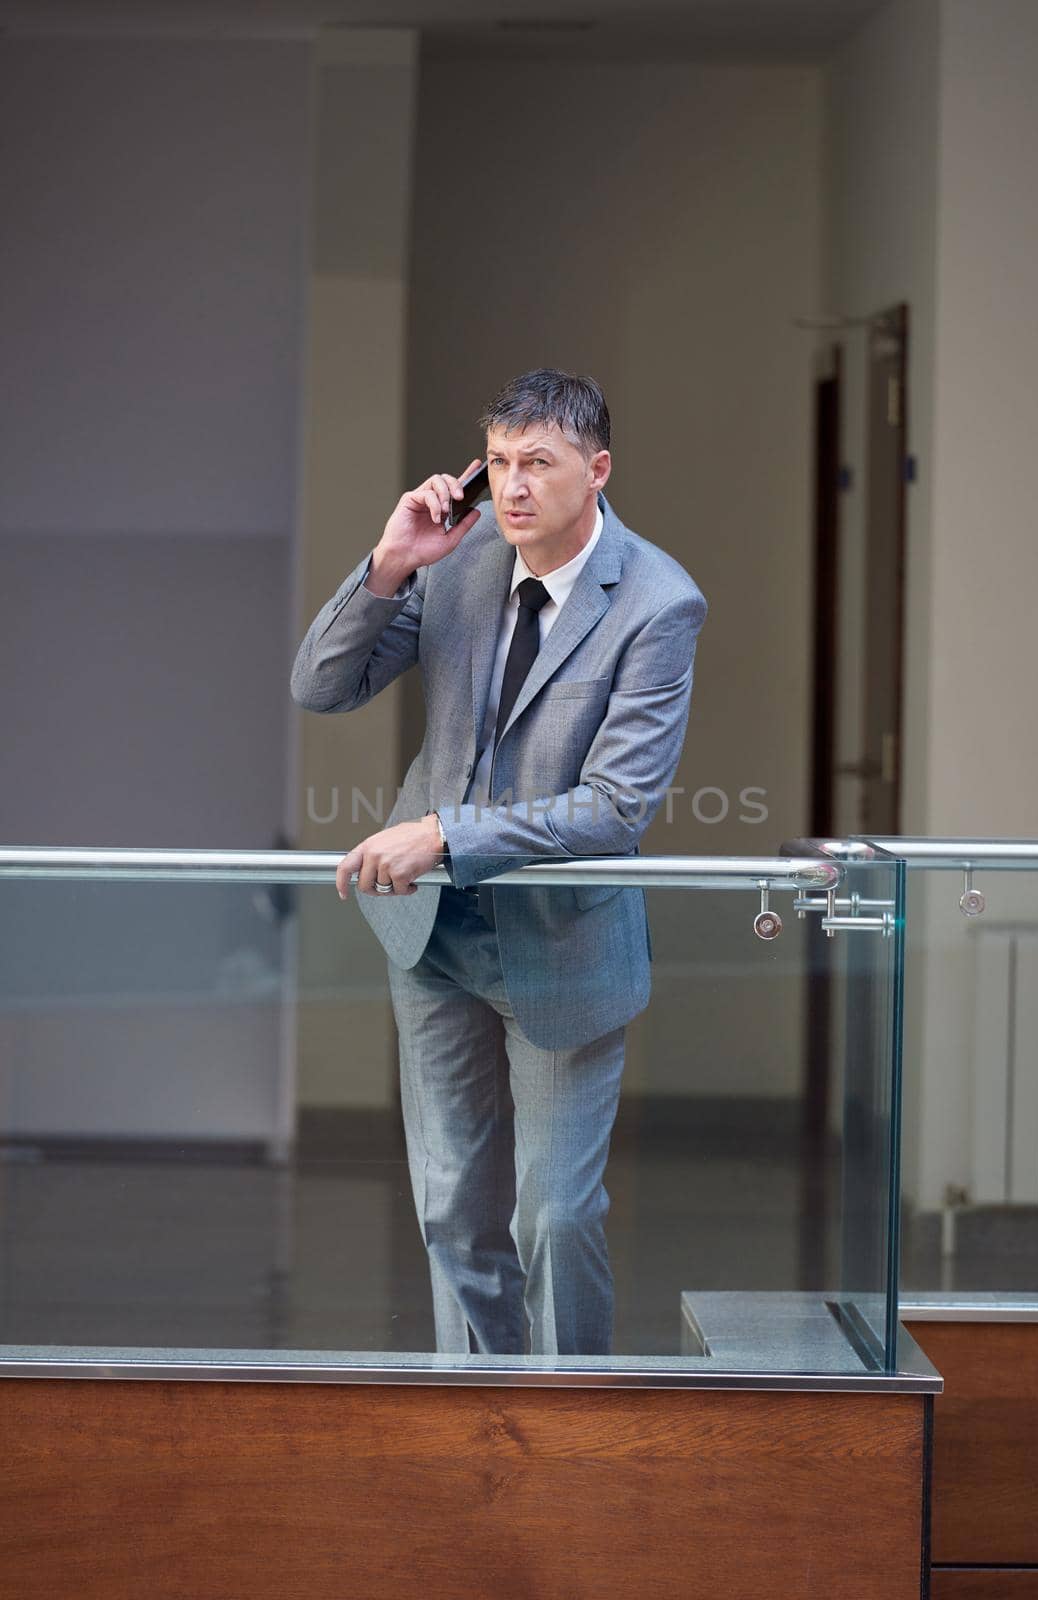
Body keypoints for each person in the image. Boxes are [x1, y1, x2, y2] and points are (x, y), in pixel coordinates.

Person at [291, 368, 707, 1357]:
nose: (514, 486)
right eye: (502, 463)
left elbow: (613, 809)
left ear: (597, 471)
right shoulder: (461, 558)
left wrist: (442, 835)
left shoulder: (659, 602)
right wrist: (390, 565)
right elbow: (321, 686)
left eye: (541, 464)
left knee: (555, 1218)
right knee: (451, 1210)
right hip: (433, 935)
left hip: (562, 943)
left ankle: (570, 1436)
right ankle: (478, 1429)